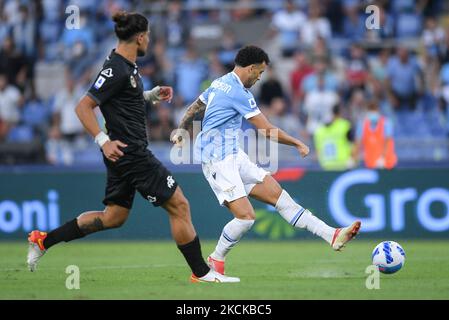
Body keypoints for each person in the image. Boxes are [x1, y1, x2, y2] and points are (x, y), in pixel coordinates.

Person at [27, 11, 239, 283]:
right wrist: (102, 141)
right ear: (140, 37)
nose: (149, 41)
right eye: (148, 36)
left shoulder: (126, 66)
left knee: (114, 216)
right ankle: (202, 272)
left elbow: (121, 97)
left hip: (123, 154)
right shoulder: (115, 68)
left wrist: (149, 95)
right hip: (131, 153)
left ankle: (43, 241)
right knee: (180, 205)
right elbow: (83, 107)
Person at [172, 45, 361, 276]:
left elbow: (196, 106)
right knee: (246, 218)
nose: (260, 77)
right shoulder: (239, 93)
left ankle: (330, 235)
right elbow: (267, 130)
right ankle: (213, 261)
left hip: (233, 155)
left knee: (281, 198)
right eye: (259, 72)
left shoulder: (220, 82)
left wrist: (180, 131)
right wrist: (297, 143)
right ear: (251, 68)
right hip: (217, 160)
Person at [353, 100, 397, 170]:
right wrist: (353, 158)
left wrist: (382, 158)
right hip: (370, 164)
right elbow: (358, 142)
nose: (372, 113)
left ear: (378, 110)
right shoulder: (362, 124)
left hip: (387, 164)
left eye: (374, 110)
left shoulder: (386, 123)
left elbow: (388, 141)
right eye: (370, 110)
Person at [314, 105, 354, 171]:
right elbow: (353, 144)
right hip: (342, 165)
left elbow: (318, 152)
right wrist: (352, 159)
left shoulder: (318, 131)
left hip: (326, 166)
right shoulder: (344, 125)